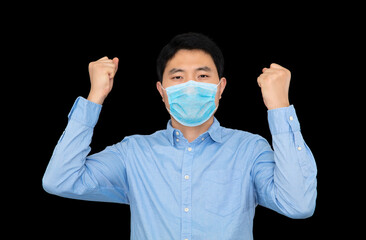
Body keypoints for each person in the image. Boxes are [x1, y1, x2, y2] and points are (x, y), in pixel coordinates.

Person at [43, 32, 317, 239]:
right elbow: (60, 180)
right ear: (161, 90)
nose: (190, 86)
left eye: (202, 75)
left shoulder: (249, 149)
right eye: (177, 78)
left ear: (220, 87)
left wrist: (280, 106)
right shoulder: (133, 153)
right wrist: (95, 97)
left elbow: (298, 203)